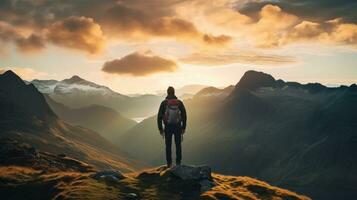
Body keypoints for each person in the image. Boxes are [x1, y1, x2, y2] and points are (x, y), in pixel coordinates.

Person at [157, 86, 187, 167]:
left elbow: (159, 116)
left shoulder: (164, 103)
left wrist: (160, 129)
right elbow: (184, 115)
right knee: (178, 145)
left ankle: (169, 164)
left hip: (168, 127)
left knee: (168, 145)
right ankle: (178, 163)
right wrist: (184, 127)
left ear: (167, 92)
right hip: (177, 126)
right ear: (174, 92)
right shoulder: (179, 102)